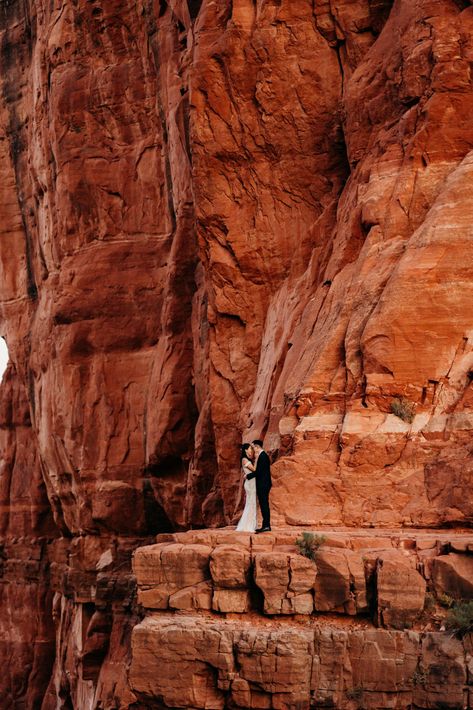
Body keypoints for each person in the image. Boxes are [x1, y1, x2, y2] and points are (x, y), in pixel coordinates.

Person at [246, 439, 272, 533]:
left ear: (257, 447)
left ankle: (266, 526)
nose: (253, 449)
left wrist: (248, 476)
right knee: (263, 504)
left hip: (263, 484)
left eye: (253, 447)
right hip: (263, 483)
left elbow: (259, 472)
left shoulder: (263, 456)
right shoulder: (261, 455)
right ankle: (266, 525)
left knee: (264, 504)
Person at [235, 443, 257, 532]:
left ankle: (250, 524)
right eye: (250, 449)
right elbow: (255, 470)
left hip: (251, 482)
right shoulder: (244, 459)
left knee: (251, 503)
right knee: (251, 503)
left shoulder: (247, 459)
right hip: (250, 483)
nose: (251, 450)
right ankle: (248, 526)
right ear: (246, 450)